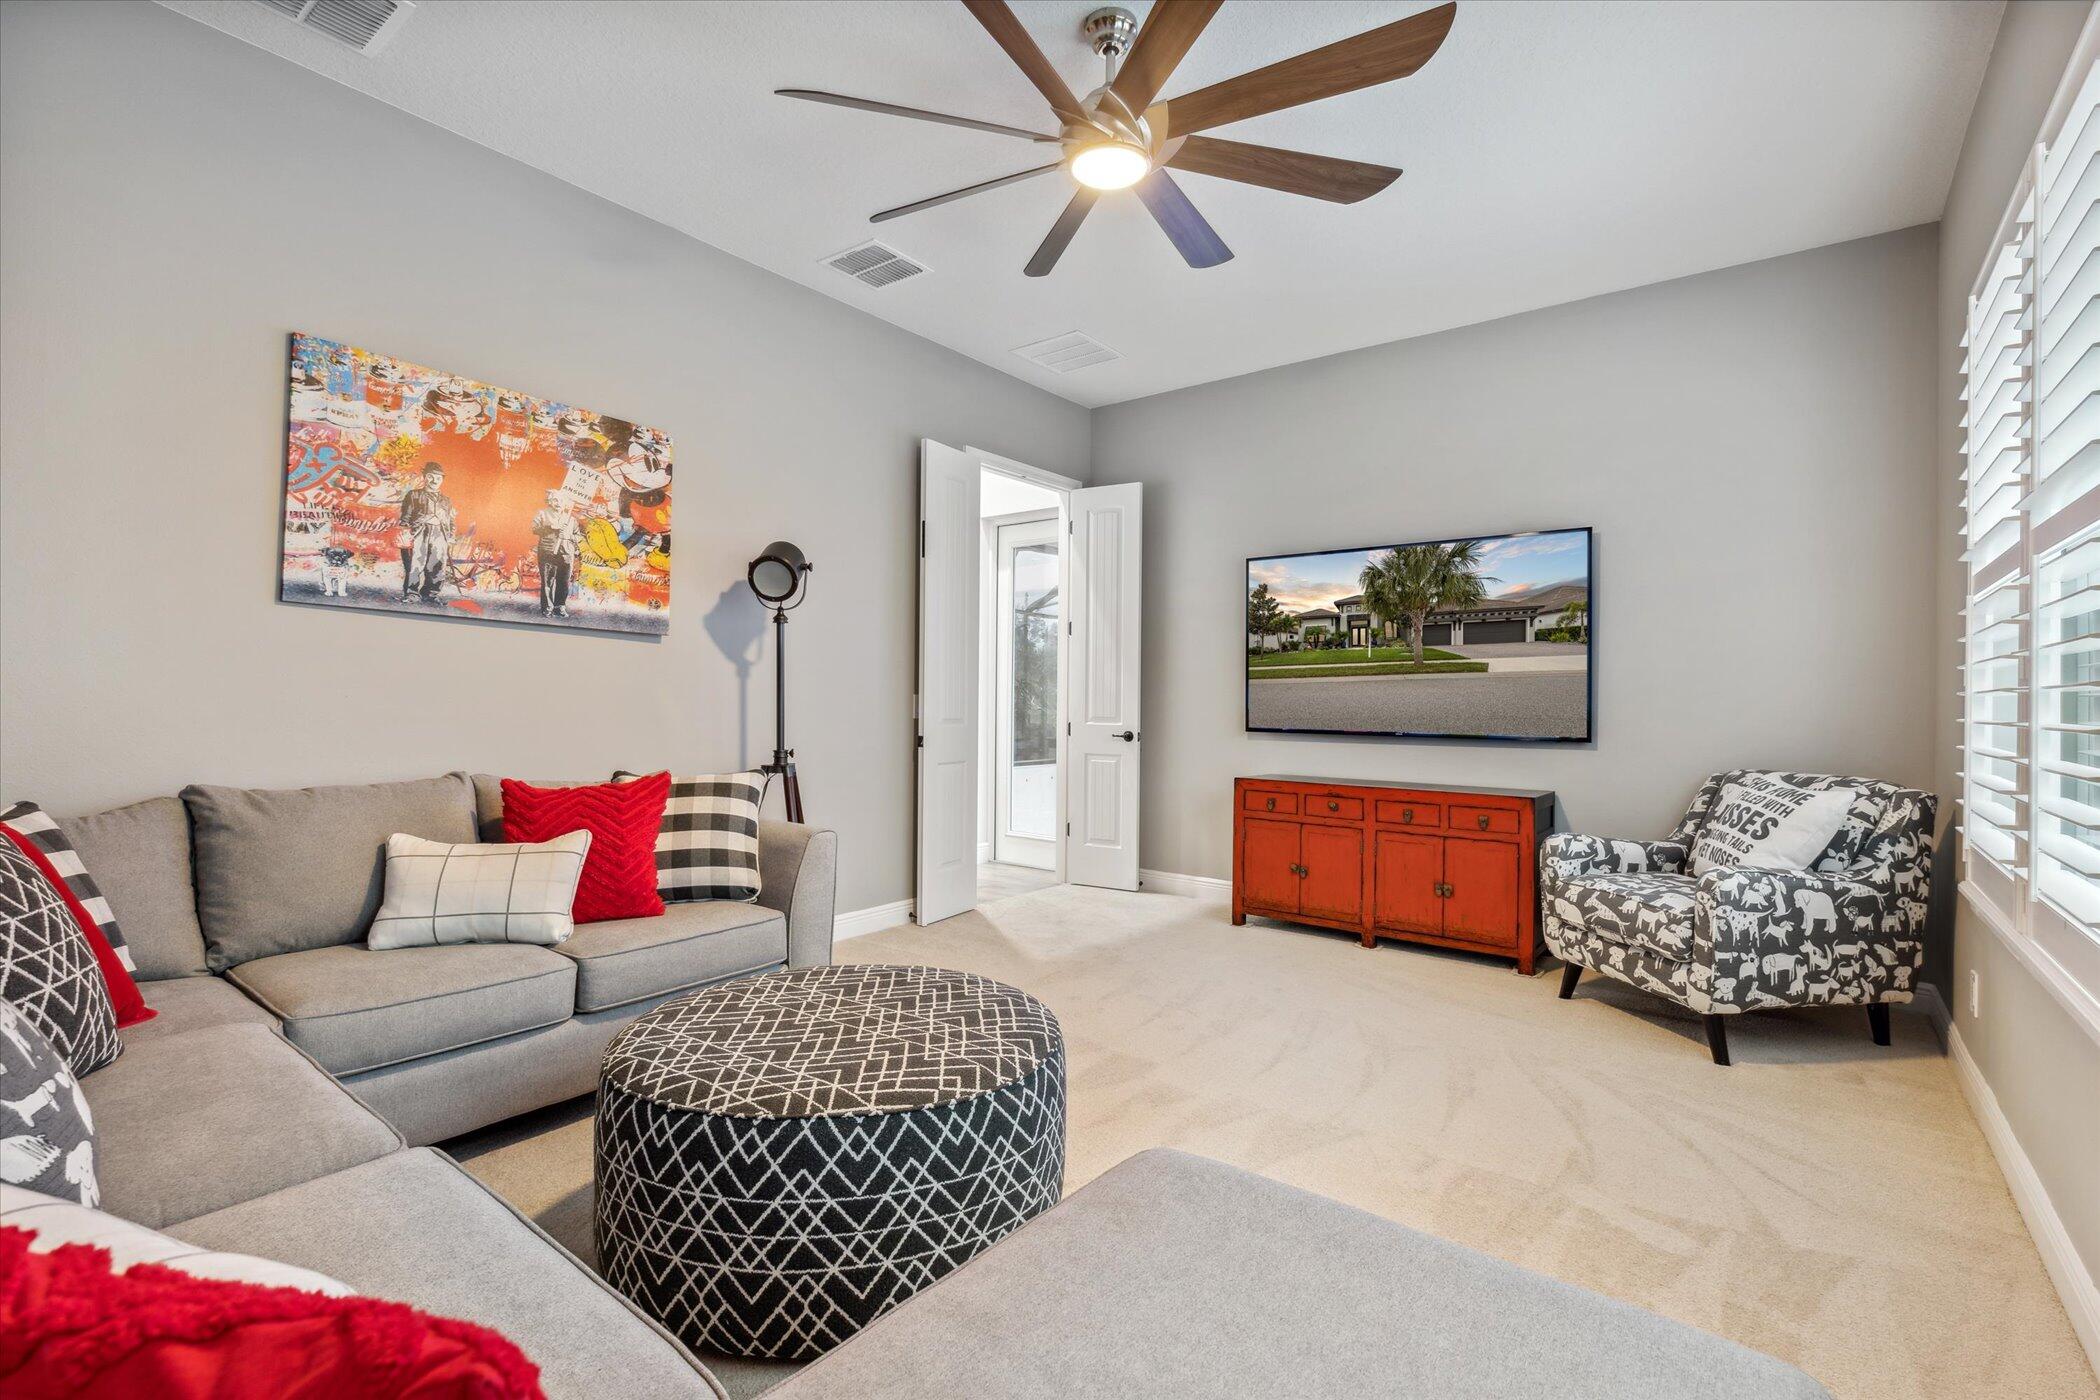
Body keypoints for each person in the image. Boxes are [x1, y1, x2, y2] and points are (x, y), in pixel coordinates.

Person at [399, 463, 455, 603]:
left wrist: (450, 536)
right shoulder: (414, 495)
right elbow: (406, 517)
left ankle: (431, 594)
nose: (435, 481)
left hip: (440, 534)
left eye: (438, 478)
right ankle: (412, 594)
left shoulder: (447, 500)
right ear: (424, 477)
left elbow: (451, 520)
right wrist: (405, 533)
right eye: (431, 477)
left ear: (442, 480)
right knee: (414, 564)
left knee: (437, 565)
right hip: (419, 532)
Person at [530, 489, 580, 618]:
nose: (559, 503)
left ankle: (559, 607)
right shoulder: (542, 514)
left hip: (566, 553)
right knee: (547, 581)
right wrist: (551, 528)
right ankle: (547, 607)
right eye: (556, 500)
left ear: (566, 503)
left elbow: (578, 536)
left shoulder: (571, 519)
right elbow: (534, 529)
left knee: (564, 581)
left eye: (562, 500)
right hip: (547, 551)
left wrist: (568, 535)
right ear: (550, 501)